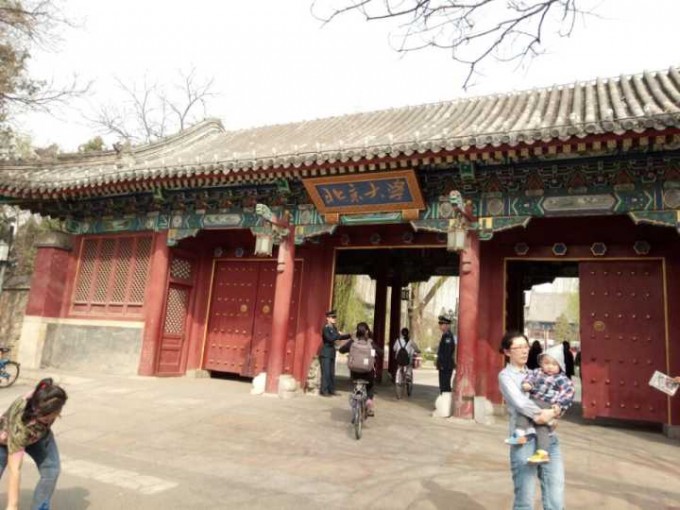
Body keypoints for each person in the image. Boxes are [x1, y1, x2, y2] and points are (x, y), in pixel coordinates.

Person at [499, 331, 564, 510]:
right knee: (525, 500)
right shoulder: (506, 376)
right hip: (524, 441)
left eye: (526, 346)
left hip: (548, 439)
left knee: (555, 496)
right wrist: (548, 417)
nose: (524, 350)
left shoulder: (540, 372)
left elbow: (558, 396)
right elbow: (521, 403)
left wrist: (557, 411)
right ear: (507, 352)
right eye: (518, 347)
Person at [0, 378, 68, 510]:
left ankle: (40, 507)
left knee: (51, 470)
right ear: (37, 409)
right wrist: (12, 506)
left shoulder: (48, 396)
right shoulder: (20, 424)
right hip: (6, 439)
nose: (53, 417)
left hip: (39, 436)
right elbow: (15, 470)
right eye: (46, 417)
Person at [508, 343, 575, 465]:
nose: (550, 367)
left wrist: (559, 405)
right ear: (541, 363)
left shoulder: (561, 378)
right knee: (542, 427)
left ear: (560, 366)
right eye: (547, 363)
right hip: (535, 400)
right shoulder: (537, 372)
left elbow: (568, 392)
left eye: (554, 364)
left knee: (525, 411)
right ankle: (542, 452)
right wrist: (527, 384)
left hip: (548, 403)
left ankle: (520, 434)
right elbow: (529, 378)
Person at [339, 322, 382, 416]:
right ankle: (369, 401)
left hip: (354, 373)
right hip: (367, 373)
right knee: (370, 386)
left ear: (357, 331)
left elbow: (341, 350)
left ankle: (355, 398)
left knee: (355, 384)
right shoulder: (370, 343)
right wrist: (374, 354)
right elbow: (381, 353)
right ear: (367, 331)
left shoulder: (353, 342)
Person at [319, 309, 350, 397]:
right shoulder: (326, 328)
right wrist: (338, 334)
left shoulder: (334, 328)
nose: (334, 319)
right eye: (332, 317)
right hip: (326, 353)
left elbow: (338, 337)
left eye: (335, 317)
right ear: (328, 318)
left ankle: (331, 390)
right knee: (326, 373)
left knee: (331, 373)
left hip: (332, 352)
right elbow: (330, 338)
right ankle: (324, 391)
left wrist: (349, 335)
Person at [436, 315, 456, 394]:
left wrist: (442, 364)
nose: (440, 326)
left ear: (447, 325)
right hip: (444, 365)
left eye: (442, 324)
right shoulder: (445, 335)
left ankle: (446, 400)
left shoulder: (448, 337)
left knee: (445, 386)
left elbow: (447, 352)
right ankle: (445, 399)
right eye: (440, 324)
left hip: (446, 366)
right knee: (443, 386)